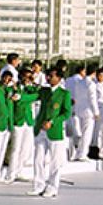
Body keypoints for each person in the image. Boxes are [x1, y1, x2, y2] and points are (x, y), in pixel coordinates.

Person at [30, 68, 71, 197]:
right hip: (41, 130)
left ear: (59, 78)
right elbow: (32, 96)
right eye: (48, 76)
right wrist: (19, 97)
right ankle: (38, 185)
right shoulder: (44, 91)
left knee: (55, 161)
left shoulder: (64, 94)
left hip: (54, 131)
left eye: (52, 76)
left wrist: (52, 122)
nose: (48, 78)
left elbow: (66, 113)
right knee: (38, 159)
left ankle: (52, 187)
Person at [65, 65, 98, 162]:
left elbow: (77, 96)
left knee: (80, 133)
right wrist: (96, 112)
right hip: (88, 111)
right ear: (94, 73)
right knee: (87, 133)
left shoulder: (79, 83)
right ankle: (82, 154)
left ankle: (79, 152)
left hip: (79, 110)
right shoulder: (91, 84)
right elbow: (92, 99)